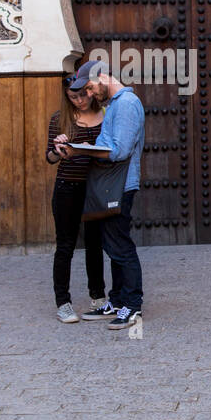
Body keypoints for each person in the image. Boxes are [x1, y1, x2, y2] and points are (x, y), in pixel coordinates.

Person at [55, 59, 145, 331]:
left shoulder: (127, 104)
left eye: (92, 88)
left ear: (103, 76)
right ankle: (117, 301)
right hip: (111, 185)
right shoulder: (115, 105)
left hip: (121, 186)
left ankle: (132, 306)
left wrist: (80, 150)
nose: (90, 95)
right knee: (113, 246)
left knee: (121, 247)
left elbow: (120, 151)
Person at [45, 75, 108, 323]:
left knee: (95, 244)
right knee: (66, 245)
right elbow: (49, 158)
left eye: (84, 94)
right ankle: (63, 303)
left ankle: (99, 297)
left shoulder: (106, 115)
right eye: (74, 97)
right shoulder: (59, 119)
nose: (80, 100)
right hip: (67, 188)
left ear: (92, 91)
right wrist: (57, 149)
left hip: (95, 187)